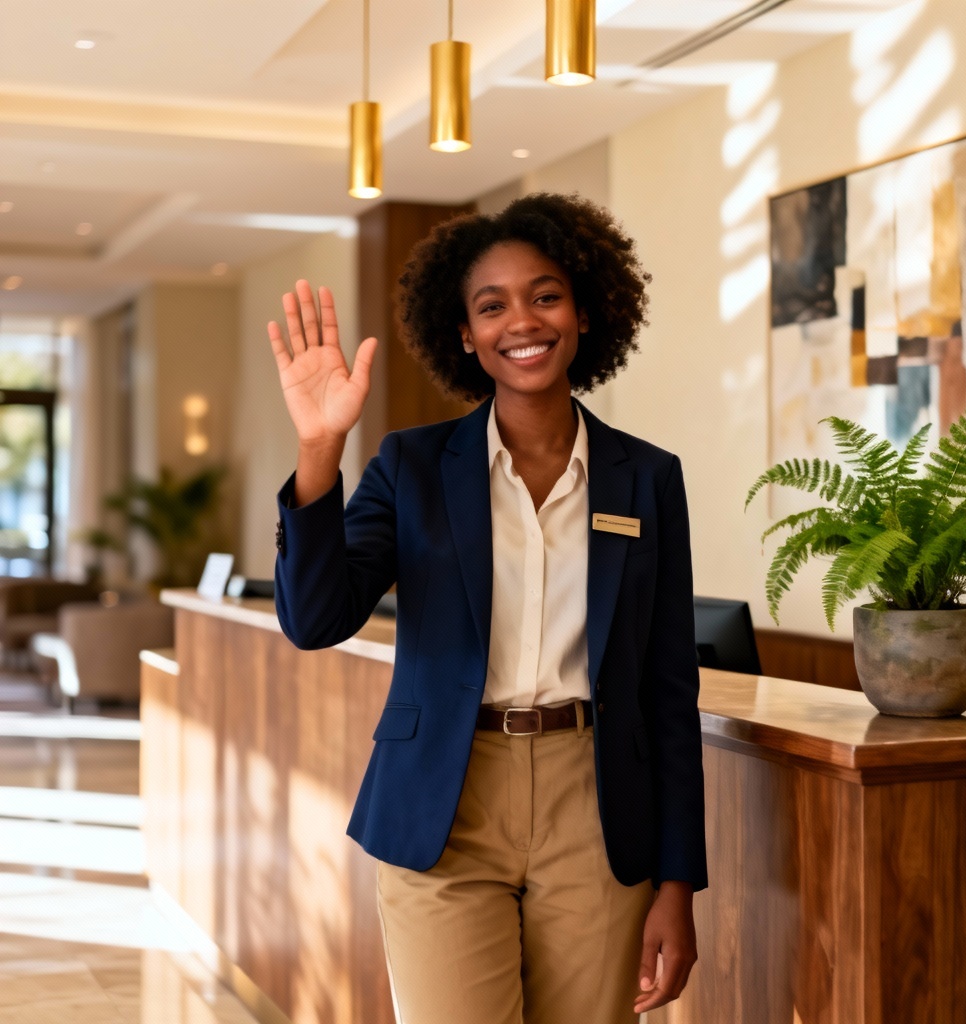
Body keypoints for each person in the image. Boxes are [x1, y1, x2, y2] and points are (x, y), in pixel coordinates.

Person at [269, 192, 707, 1024]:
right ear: (464, 334)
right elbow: (314, 617)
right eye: (491, 305)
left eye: (545, 295)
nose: (522, 321)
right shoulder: (412, 465)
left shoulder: (648, 477)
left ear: (584, 312)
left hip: (598, 804)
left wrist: (679, 883)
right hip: (444, 800)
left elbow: (667, 692)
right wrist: (321, 448)